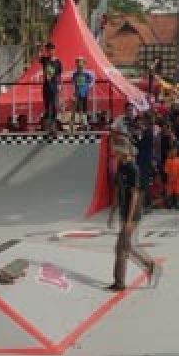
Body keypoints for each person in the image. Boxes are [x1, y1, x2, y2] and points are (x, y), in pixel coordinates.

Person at [106, 158, 158, 292]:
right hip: (124, 212)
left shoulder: (133, 169)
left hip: (133, 214)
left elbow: (135, 195)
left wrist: (129, 220)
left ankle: (119, 283)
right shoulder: (120, 166)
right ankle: (150, 265)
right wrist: (112, 212)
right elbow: (117, 191)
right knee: (126, 246)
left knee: (120, 247)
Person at [39, 42, 64, 134]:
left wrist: (60, 85)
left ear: (54, 50)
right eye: (48, 50)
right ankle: (47, 126)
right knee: (47, 106)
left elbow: (59, 75)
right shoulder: (45, 60)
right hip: (46, 86)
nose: (50, 51)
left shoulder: (58, 62)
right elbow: (39, 58)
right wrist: (41, 48)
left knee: (53, 106)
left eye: (51, 49)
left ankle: (53, 127)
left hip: (54, 85)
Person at [71, 56, 95, 132]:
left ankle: (83, 124)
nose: (79, 64)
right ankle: (73, 124)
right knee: (76, 108)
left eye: (81, 62)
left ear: (84, 64)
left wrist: (89, 86)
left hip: (84, 93)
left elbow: (92, 81)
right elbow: (74, 83)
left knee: (83, 108)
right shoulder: (75, 74)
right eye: (78, 63)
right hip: (77, 93)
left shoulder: (87, 73)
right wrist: (74, 92)